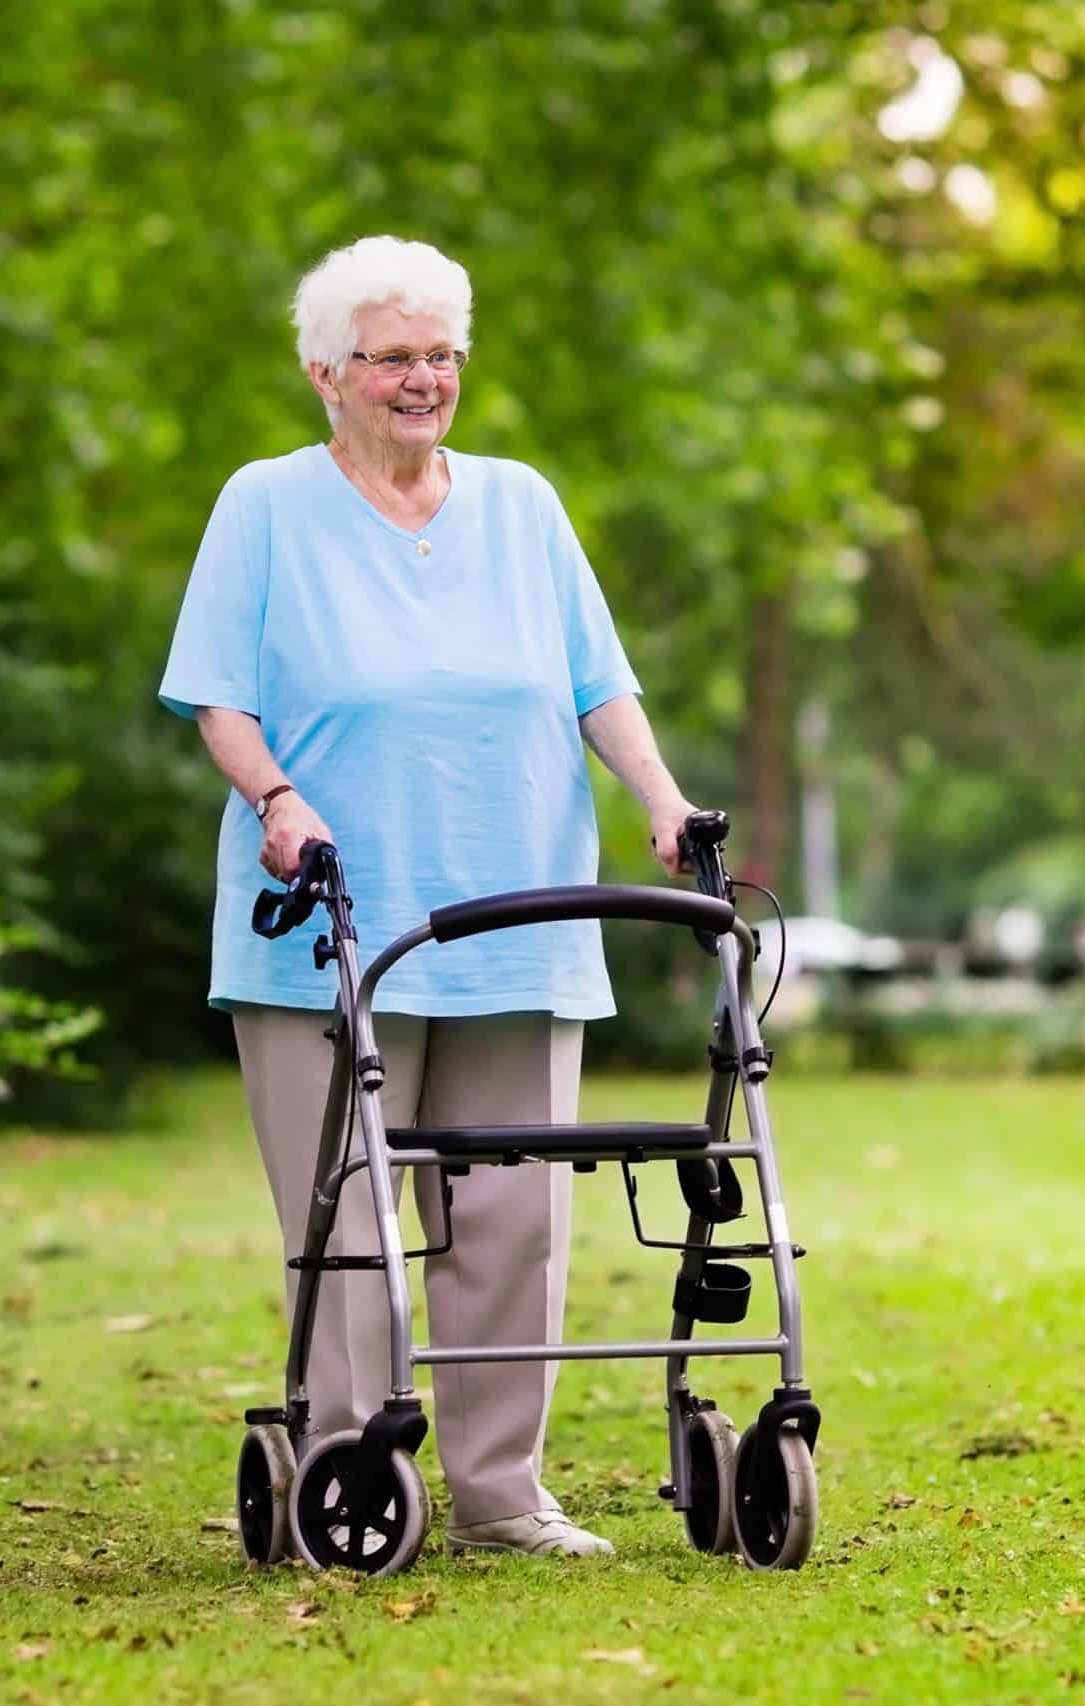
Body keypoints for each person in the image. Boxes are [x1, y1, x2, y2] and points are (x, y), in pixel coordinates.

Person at [157, 235, 697, 1558]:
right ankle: (351, 1478)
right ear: (325, 371)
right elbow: (219, 696)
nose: (424, 379)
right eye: (395, 356)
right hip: (330, 926)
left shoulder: (521, 506)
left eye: (441, 353)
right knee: (346, 1218)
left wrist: (663, 798)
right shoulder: (267, 505)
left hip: (521, 914)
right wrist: (280, 800)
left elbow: (596, 685)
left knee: (514, 1217)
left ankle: (504, 1492)